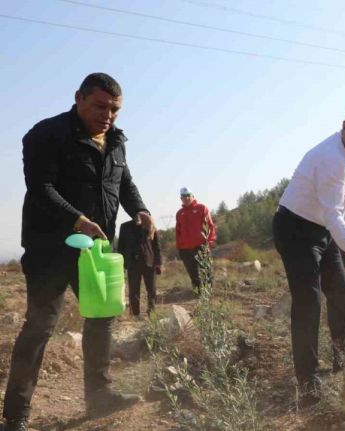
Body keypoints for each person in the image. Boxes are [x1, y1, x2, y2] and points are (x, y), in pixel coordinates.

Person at [2, 73, 155, 431]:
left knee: (102, 319)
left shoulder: (116, 141)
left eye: (114, 109)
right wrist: (78, 220)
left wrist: (142, 210)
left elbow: (125, 183)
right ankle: (15, 414)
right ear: (79, 98)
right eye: (100, 106)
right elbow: (40, 187)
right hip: (50, 249)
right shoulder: (47, 134)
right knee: (40, 326)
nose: (108, 115)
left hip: (97, 252)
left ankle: (100, 397)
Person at [272, 102, 345, 405]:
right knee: (308, 299)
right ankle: (307, 382)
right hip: (294, 229)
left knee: (341, 291)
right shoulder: (331, 158)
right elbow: (336, 216)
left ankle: (344, 363)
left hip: (320, 229)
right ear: (344, 126)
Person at [117, 218, 162, 317]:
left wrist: (158, 262)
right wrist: (122, 264)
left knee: (152, 290)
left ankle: (152, 314)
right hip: (132, 264)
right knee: (133, 291)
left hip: (149, 262)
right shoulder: (125, 226)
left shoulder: (149, 223)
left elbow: (156, 245)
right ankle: (134, 314)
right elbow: (121, 246)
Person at [175, 187, 215, 296]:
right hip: (185, 250)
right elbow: (178, 232)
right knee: (193, 274)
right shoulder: (179, 213)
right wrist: (179, 247)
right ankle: (198, 294)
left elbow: (210, 226)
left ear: (193, 196)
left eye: (188, 195)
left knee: (206, 271)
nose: (186, 198)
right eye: (184, 196)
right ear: (181, 198)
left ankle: (208, 295)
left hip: (201, 247)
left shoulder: (202, 208)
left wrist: (210, 241)